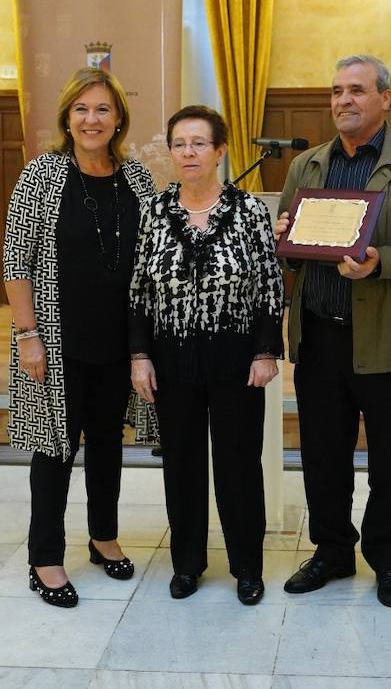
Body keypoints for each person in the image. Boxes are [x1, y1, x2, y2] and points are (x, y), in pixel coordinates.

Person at [275, 54, 391, 608]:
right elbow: (287, 256)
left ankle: (388, 558)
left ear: (385, 98)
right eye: (335, 91)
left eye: (356, 90)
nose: (343, 101)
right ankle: (331, 550)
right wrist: (283, 238)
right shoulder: (306, 166)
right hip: (319, 338)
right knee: (322, 456)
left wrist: (381, 260)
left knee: (390, 458)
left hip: (388, 338)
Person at [1, 67, 159, 609]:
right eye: (82, 110)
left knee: (109, 446)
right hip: (56, 340)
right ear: (67, 118)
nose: (92, 120)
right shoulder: (40, 176)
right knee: (54, 451)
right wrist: (28, 335)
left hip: (121, 340)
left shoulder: (137, 179)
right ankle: (44, 557)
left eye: (103, 110)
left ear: (119, 119)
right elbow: (15, 262)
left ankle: (102, 536)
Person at [128, 105, 285, 605]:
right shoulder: (152, 212)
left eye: (199, 143)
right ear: (170, 152)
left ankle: (247, 566)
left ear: (220, 152)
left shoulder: (250, 212)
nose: (189, 152)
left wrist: (265, 351)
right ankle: (187, 562)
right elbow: (137, 293)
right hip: (171, 358)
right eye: (180, 144)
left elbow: (269, 287)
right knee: (181, 462)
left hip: (237, 358)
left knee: (240, 463)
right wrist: (139, 357)